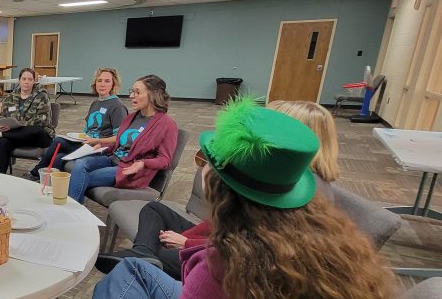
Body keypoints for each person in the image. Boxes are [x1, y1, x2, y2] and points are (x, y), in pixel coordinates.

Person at [38, 99, 397, 299]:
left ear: (222, 189)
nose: (202, 168)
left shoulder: (229, 262)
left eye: (207, 161)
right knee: (135, 269)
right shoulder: (325, 237)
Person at [96, 98, 343, 279]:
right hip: (215, 237)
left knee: (155, 251)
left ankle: (144, 258)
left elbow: (247, 246)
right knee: (154, 212)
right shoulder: (283, 182)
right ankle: (143, 253)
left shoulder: (302, 195)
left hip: (225, 256)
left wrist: (187, 243)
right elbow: (224, 222)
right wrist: (190, 238)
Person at [67, 75, 178, 204]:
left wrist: (142, 163)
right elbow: (122, 143)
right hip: (114, 159)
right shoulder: (132, 117)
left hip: (130, 170)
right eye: (132, 91)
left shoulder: (167, 124)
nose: (131, 96)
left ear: (153, 95)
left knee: (83, 178)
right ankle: (73, 208)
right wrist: (101, 146)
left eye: (137, 92)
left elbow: (165, 160)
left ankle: (72, 210)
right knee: (81, 163)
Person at [25, 67, 127, 180]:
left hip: (99, 149)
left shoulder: (117, 106)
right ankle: (48, 184)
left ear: (113, 84)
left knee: (58, 141)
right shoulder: (95, 103)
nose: (102, 84)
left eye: (107, 81)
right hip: (86, 144)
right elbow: (88, 130)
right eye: (99, 80)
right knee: (58, 157)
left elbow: (119, 138)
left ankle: (35, 173)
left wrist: (97, 140)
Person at [0, 68, 52, 174]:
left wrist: (19, 125)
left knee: (37, 129)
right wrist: (1, 126)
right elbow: (1, 117)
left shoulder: (42, 96)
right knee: (2, 142)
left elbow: (41, 121)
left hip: (38, 137)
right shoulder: (10, 97)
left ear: (34, 81)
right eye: (24, 79)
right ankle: (1, 176)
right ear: (19, 80)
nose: (27, 82)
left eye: (30, 79)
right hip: (16, 137)